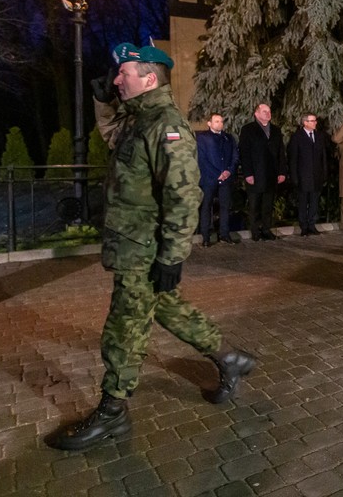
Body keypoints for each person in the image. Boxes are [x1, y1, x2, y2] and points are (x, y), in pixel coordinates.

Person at [48, 44, 255, 451]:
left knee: (124, 329)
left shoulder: (166, 125)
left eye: (123, 73)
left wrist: (172, 256)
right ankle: (229, 359)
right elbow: (111, 136)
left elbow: (183, 195)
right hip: (133, 245)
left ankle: (112, 413)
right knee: (168, 309)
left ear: (148, 79)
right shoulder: (137, 119)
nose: (116, 78)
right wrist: (103, 101)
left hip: (146, 249)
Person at [239, 104, 287, 241]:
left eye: (269, 111)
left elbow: (280, 153)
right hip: (255, 174)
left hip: (271, 175)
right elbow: (245, 153)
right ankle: (255, 231)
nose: (268, 113)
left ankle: (266, 229)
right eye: (264, 111)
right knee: (254, 205)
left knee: (267, 205)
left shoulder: (276, 130)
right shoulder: (248, 130)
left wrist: (282, 171)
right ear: (256, 113)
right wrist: (248, 173)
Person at [196, 113, 239, 247]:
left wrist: (228, 171)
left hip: (226, 179)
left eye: (221, 121)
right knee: (206, 207)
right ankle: (206, 237)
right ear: (209, 123)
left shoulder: (228, 138)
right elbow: (202, 159)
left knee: (225, 207)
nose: (220, 124)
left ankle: (224, 234)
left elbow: (235, 156)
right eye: (216, 121)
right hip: (209, 179)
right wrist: (217, 174)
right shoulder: (202, 138)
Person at [288, 113, 328, 236]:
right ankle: (303, 226)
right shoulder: (297, 137)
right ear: (305, 123)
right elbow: (293, 158)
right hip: (303, 177)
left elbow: (323, 157)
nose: (315, 122)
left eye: (315, 120)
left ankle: (312, 224)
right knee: (303, 202)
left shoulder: (319, 136)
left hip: (316, 176)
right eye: (312, 121)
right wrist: (294, 176)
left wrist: (324, 174)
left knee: (314, 202)